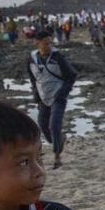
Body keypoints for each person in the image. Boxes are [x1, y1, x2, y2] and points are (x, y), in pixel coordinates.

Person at [26, 31, 77, 169]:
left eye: (50, 43)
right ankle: (60, 140)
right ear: (37, 43)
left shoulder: (58, 57)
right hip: (43, 98)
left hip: (58, 97)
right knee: (43, 126)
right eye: (45, 43)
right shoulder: (31, 59)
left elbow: (72, 76)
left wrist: (62, 93)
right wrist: (36, 95)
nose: (48, 45)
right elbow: (33, 79)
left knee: (54, 125)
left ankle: (57, 157)